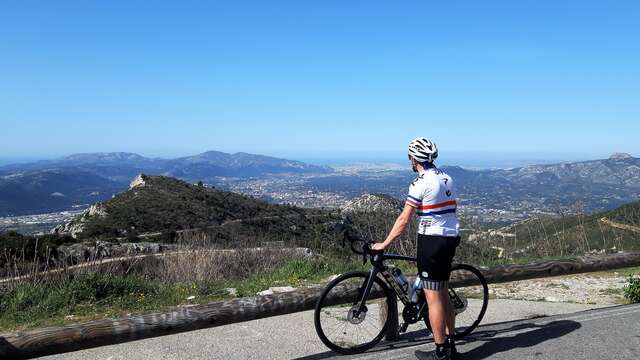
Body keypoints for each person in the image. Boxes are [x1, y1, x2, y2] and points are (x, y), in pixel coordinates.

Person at [371, 137, 460, 360]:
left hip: (431, 241)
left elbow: (403, 220)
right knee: (443, 293)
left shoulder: (420, 183)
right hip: (450, 239)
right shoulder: (447, 177)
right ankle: (450, 345)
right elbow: (452, 207)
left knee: (433, 299)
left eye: (410, 157)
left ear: (414, 158)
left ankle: (440, 352)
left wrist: (384, 243)